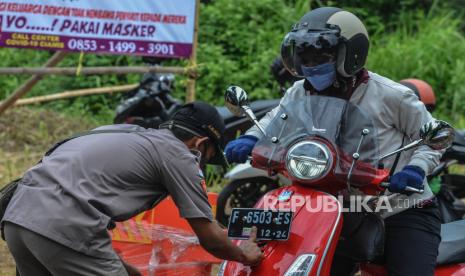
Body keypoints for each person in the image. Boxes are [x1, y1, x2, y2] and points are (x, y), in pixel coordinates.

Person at [225, 7, 443, 276]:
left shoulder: (391, 95)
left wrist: (416, 169)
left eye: (321, 54)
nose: (311, 63)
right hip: (333, 208)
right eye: (303, 55)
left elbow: (433, 137)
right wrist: (250, 138)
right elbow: (276, 117)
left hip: (398, 208)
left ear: (350, 54)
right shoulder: (300, 91)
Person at [1, 101, 263, 276]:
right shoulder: (179, 155)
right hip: (65, 224)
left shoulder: (119, 131)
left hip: (18, 219)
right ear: (200, 143)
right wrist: (245, 254)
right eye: (207, 155)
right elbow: (210, 239)